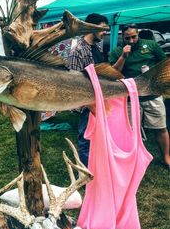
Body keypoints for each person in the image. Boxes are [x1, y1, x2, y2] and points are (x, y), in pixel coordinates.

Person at [109, 23, 170, 169]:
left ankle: (167, 157)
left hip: (151, 94)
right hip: (129, 98)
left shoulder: (151, 45)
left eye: (134, 37)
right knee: (129, 130)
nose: (131, 40)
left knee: (160, 127)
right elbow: (113, 73)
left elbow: (164, 63)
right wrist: (124, 56)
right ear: (122, 37)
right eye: (127, 38)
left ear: (138, 34)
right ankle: (132, 160)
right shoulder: (117, 51)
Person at [67, 13, 108, 166]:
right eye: (103, 28)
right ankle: (87, 176)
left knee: (97, 136)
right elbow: (72, 81)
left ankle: (97, 168)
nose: (105, 32)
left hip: (99, 98)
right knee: (85, 138)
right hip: (88, 102)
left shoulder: (96, 46)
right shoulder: (77, 50)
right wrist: (88, 105)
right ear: (92, 27)